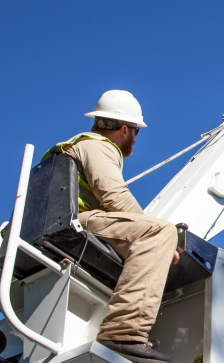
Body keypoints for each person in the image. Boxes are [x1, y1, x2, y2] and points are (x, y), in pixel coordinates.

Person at [42, 90, 178, 363]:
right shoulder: (99, 146)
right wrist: (163, 239)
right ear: (126, 129)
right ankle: (123, 333)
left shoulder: (77, 146)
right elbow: (114, 196)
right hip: (75, 222)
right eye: (137, 132)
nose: (136, 140)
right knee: (160, 231)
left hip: (60, 222)